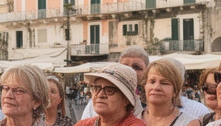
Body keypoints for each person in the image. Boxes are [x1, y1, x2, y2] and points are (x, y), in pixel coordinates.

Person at [81, 47, 210, 121]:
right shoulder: (94, 103)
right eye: (124, 66)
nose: (130, 71)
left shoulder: (195, 111)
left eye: (137, 67)